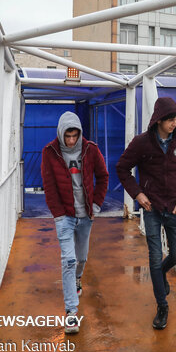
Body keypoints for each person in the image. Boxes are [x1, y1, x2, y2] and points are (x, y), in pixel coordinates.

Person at [116, 97, 176, 330]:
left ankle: (160, 277)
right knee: (154, 256)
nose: (174, 124)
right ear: (159, 120)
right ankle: (162, 306)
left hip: (174, 208)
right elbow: (122, 168)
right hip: (151, 208)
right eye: (171, 119)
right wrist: (138, 195)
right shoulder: (142, 142)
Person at [41, 111, 109, 334]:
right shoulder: (50, 152)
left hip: (86, 216)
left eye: (74, 136)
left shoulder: (91, 149)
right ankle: (71, 313)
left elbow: (103, 176)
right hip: (65, 217)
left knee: (81, 259)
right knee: (68, 260)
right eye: (67, 136)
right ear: (60, 134)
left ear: (80, 133)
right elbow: (49, 187)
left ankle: (78, 279)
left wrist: (96, 205)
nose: (71, 140)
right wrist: (58, 214)